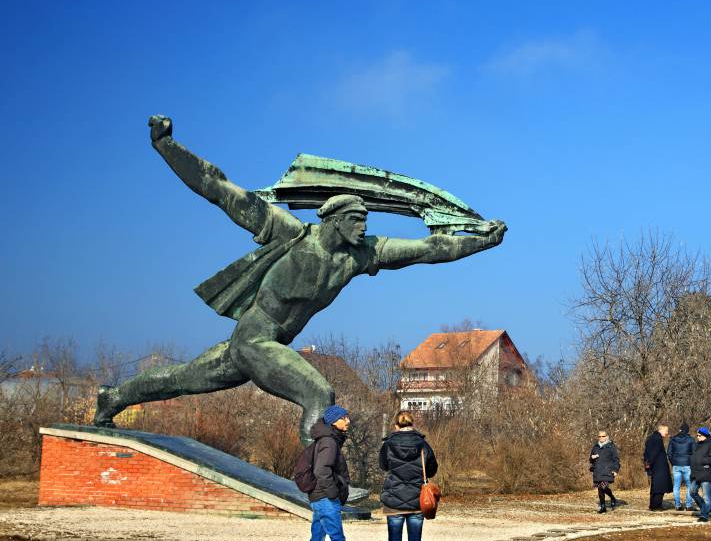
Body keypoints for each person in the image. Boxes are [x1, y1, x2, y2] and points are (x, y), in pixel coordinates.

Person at [94, 115, 507, 446]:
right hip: (255, 340)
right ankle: (321, 486)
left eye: (365, 221)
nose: (363, 229)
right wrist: (166, 146)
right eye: (356, 221)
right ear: (333, 219)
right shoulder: (288, 233)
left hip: (264, 345)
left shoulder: (359, 256)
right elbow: (218, 188)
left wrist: (481, 242)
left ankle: (112, 399)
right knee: (318, 395)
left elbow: (430, 250)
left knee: (181, 379)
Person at [378, 411, 438, 541]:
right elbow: (432, 468)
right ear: (413, 423)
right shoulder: (422, 444)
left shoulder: (388, 444)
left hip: (394, 501)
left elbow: (384, 466)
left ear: (396, 425)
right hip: (416, 501)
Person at [306, 405, 363, 541]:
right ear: (334, 421)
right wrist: (333, 494)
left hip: (317, 497)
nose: (348, 421)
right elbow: (322, 471)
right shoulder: (330, 442)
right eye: (344, 417)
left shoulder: (324, 439)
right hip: (325, 498)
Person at [690, 427, 711, 522]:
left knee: (706, 497)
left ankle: (704, 515)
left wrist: (704, 462)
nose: (698, 437)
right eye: (697, 435)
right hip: (696, 473)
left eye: (699, 435)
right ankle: (704, 508)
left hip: (706, 473)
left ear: (704, 435)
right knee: (692, 492)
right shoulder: (696, 445)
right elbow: (694, 457)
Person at [590, 431, 623, 513]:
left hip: (607, 471)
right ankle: (603, 507)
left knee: (603, 487)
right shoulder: (595, 447)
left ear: (606, 436)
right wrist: (592, 457)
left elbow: (616, 460)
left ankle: (612, 497)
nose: (601, 438)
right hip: (597, 471)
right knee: (600, 489)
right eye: (599, 436)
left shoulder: (611, 446)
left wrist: (615, 470)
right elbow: (590, 459)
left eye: (603, 436)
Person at [643, 425, 672, 510]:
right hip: (659, 466)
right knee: (660, 486)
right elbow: (654, 453)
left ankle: (652, 505)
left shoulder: (651, 437)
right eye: (666, 430)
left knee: (655, 486)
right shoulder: (657, 439)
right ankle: (657, 506)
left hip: (655, 466)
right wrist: (649, 463)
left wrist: (647, 463)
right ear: (661, 430)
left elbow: (646, 452)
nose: (667, 433)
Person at [667, 423, 696, 511]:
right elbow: (694, 453)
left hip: (676, 465)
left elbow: (669, 453)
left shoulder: (673, 439)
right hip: (687, 465)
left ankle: (677, 505)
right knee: (689, 485)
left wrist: (673, 463)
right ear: (687, 430)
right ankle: (688, 505)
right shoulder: (691, 440)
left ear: (680, 430)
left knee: (676, 486)